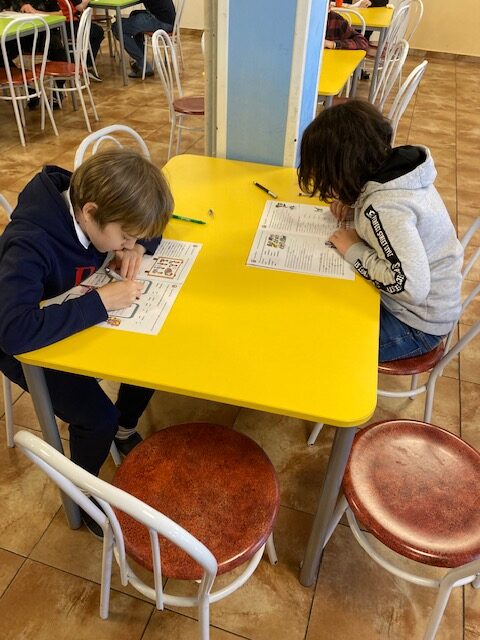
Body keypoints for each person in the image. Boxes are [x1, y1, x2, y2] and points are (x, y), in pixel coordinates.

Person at [0, 148, 174, 483]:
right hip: (20, 340)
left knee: (149, 360)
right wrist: (100, 302)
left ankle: (125, 429)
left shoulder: (98, 206)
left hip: (66, 313)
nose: (128, 243)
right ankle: (84, 493)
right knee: (97, 419)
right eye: (125, 236)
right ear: (90, 213)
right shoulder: (29, 244)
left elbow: (149, 225)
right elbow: (14, 332)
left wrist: (137, 247)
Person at [298, 100, 463, 363]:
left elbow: (409, 286)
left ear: (344, 170)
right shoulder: (395, 173)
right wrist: (353, 203)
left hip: (415, 325)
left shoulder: (385, 207)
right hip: (421, 307)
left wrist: (353, 249)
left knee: (318, 346)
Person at [112, 0, 175, 79]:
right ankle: (142, 62)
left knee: (117, 27)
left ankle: (143, 65)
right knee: (134, 14)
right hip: (168, 19)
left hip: (161, 22)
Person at [57, 0, 105, 81]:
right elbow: (80, 7)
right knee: (98, 31)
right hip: (70, 25)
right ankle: (85, 64)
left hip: (62, 26)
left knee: (93, 32)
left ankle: (78, 62)